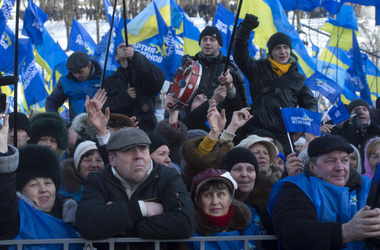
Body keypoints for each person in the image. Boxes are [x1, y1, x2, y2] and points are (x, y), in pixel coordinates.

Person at [76, 127, 195, 247]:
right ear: (112, 159)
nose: (139, 156)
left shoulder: (168, 176)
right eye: (128, 150)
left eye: (143, 148)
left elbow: (185, 223)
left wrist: (122, 226)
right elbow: (87, 224)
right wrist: (142, 208)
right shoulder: (97, 180)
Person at [264, 134, 380, 249]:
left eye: (344, 160)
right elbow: (292, 231)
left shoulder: (367, 186)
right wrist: (346, 231)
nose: (340, 167)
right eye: (330, 161)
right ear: (312, 167)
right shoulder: (296, 187)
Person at [233, 14, 317, 155]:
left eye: (286, 47)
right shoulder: (257, 68)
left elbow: (310, 104)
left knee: (285, 169)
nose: (283, 52)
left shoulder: (298, 78)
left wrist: (310, 130)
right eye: (278, 48)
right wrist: (245, 30)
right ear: (271, 51)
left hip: (284, 135)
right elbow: (240, 55)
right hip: (257, 130)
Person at [0, 115, 81, 248]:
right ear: (21, 191)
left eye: (48, 183)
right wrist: (3, 153)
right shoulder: (16, 217)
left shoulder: (73, 213)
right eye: (34, 184)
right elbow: (5, 198)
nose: (43, 189)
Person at [173, 26, 248, 131]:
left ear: (220, 45)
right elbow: (174, 102)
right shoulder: (187, 68)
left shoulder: (231, 69)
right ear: (200, 43)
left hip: (222, 133)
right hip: (188, 130)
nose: (207, 43)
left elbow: (240, 110)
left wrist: (230, 88)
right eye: (204, 39)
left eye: (212, 40)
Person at [185, 168, 254, 250]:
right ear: (198, 201)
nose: (215, 201)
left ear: (231, 199)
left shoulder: (248, 228)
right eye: (207, 195)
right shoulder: (188, 235)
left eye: (220, 194)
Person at [102, 43, 165, 132]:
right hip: (121, 131)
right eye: (121, 47)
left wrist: (135, 58)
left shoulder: (144, 73)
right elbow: (105, 107)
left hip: (147, 129)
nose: (125, 48)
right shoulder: (109, 81)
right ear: (116, 57)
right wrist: (125, 96)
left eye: (129, 46)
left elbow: (158, 79)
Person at [45, 51, 102, 121]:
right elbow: (52, 101)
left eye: (80, 72)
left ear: (88, 66)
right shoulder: (65, 81)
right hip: (77, 125)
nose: (77, 75)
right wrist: (56, 120)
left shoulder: (105, 77)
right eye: (73, 72)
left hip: (103, 123)